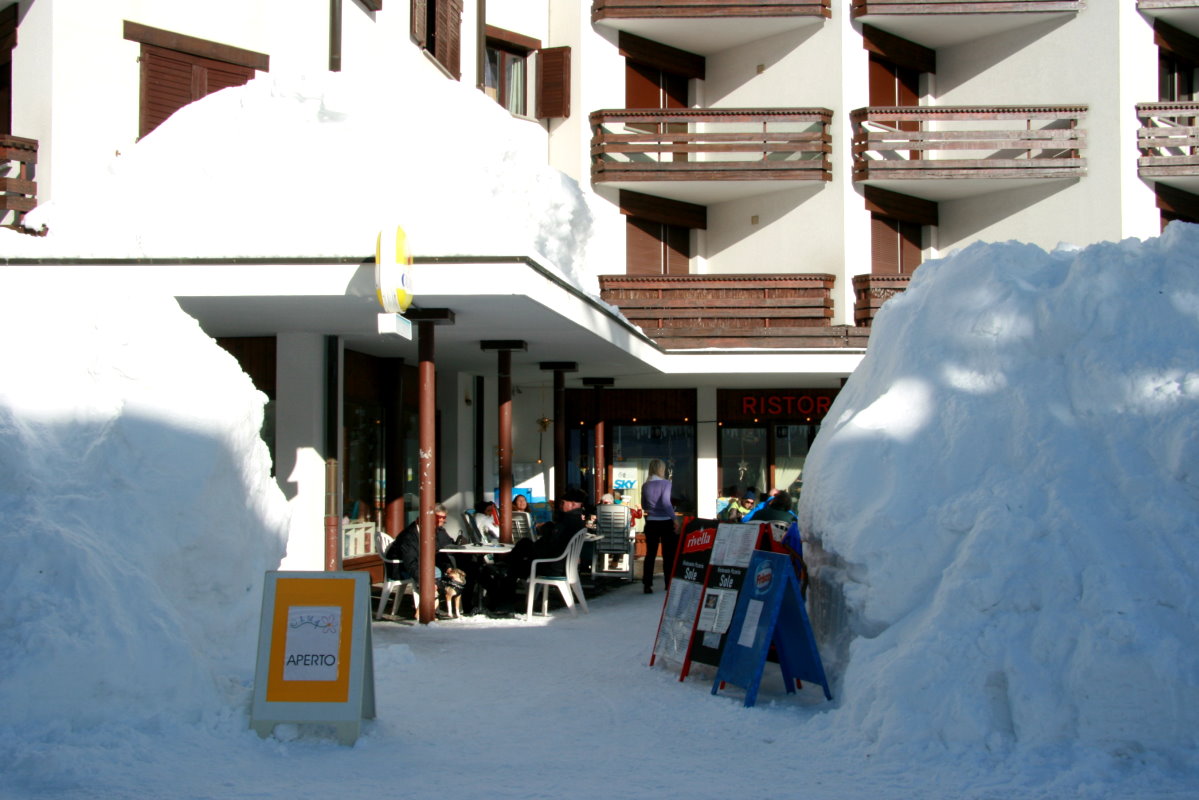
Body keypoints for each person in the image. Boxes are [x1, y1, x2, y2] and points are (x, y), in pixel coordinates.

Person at [384, 503, 457, 606]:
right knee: (434, 571)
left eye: (444, 517)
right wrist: (426, 581)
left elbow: (439, 551)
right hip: (400, 568)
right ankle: (429, 605)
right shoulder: (409, 537)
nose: (442, 520)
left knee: (454, 570)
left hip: (419, 563)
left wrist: (448, 567)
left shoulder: (435, 531)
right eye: (439, 517)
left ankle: (438, 602)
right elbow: (411, 563)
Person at [641, 458, 678, 595]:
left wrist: (652, 507)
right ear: (661, 469)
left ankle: (647, 584)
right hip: (665, 520)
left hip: (651, 521)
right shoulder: (666, 483)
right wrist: (674, 518)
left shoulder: (645, 485)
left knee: (650, 553)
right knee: (668, 554)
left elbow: (644, 505)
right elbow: (666, 502)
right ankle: (668, 583)